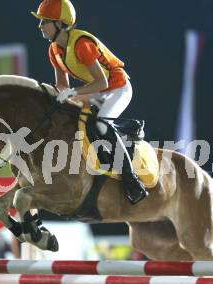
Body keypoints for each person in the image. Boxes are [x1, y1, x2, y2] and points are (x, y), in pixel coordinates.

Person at [31, 0, 148, 204]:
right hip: (96, 90)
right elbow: (62, 86)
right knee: (72, 119)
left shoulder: (81, 44)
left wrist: (73, 93)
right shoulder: (54, 51)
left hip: (117, 87)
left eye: (44, 21)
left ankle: (132, 181)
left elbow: (102, 82)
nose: (40, 26)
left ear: (60, 23)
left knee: (101, 123)